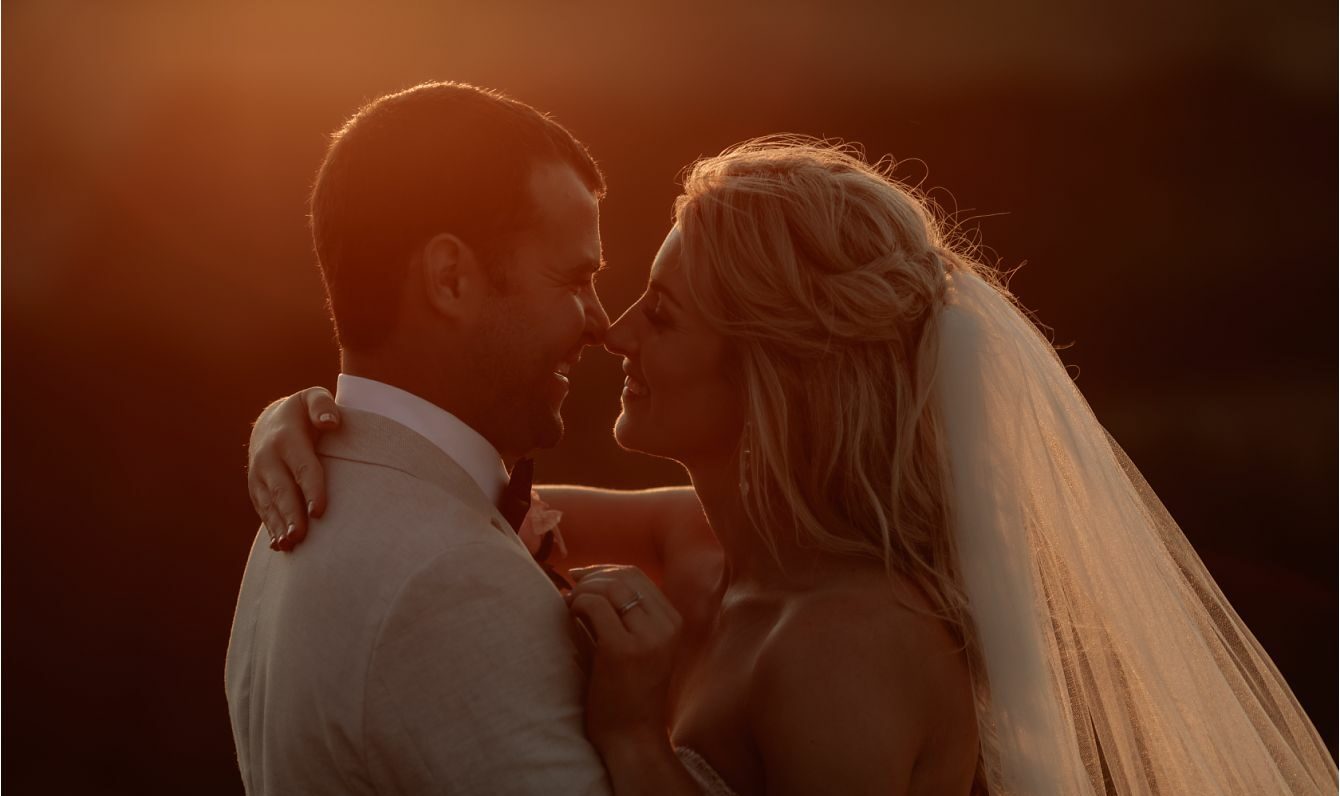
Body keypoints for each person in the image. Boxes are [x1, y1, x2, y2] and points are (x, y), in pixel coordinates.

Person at [250, 138, 1339, 794]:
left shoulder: (850, 641)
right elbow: (439, 492)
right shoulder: (700, 537)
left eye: (661, 313)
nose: (613, 333)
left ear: (772, 370)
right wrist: (296, 421)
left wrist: (631, 733)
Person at [225, 81, 616, 794]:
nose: (602, 322)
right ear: (450, 278)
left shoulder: (302, 514)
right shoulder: (453, 576)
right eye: (575, 280)